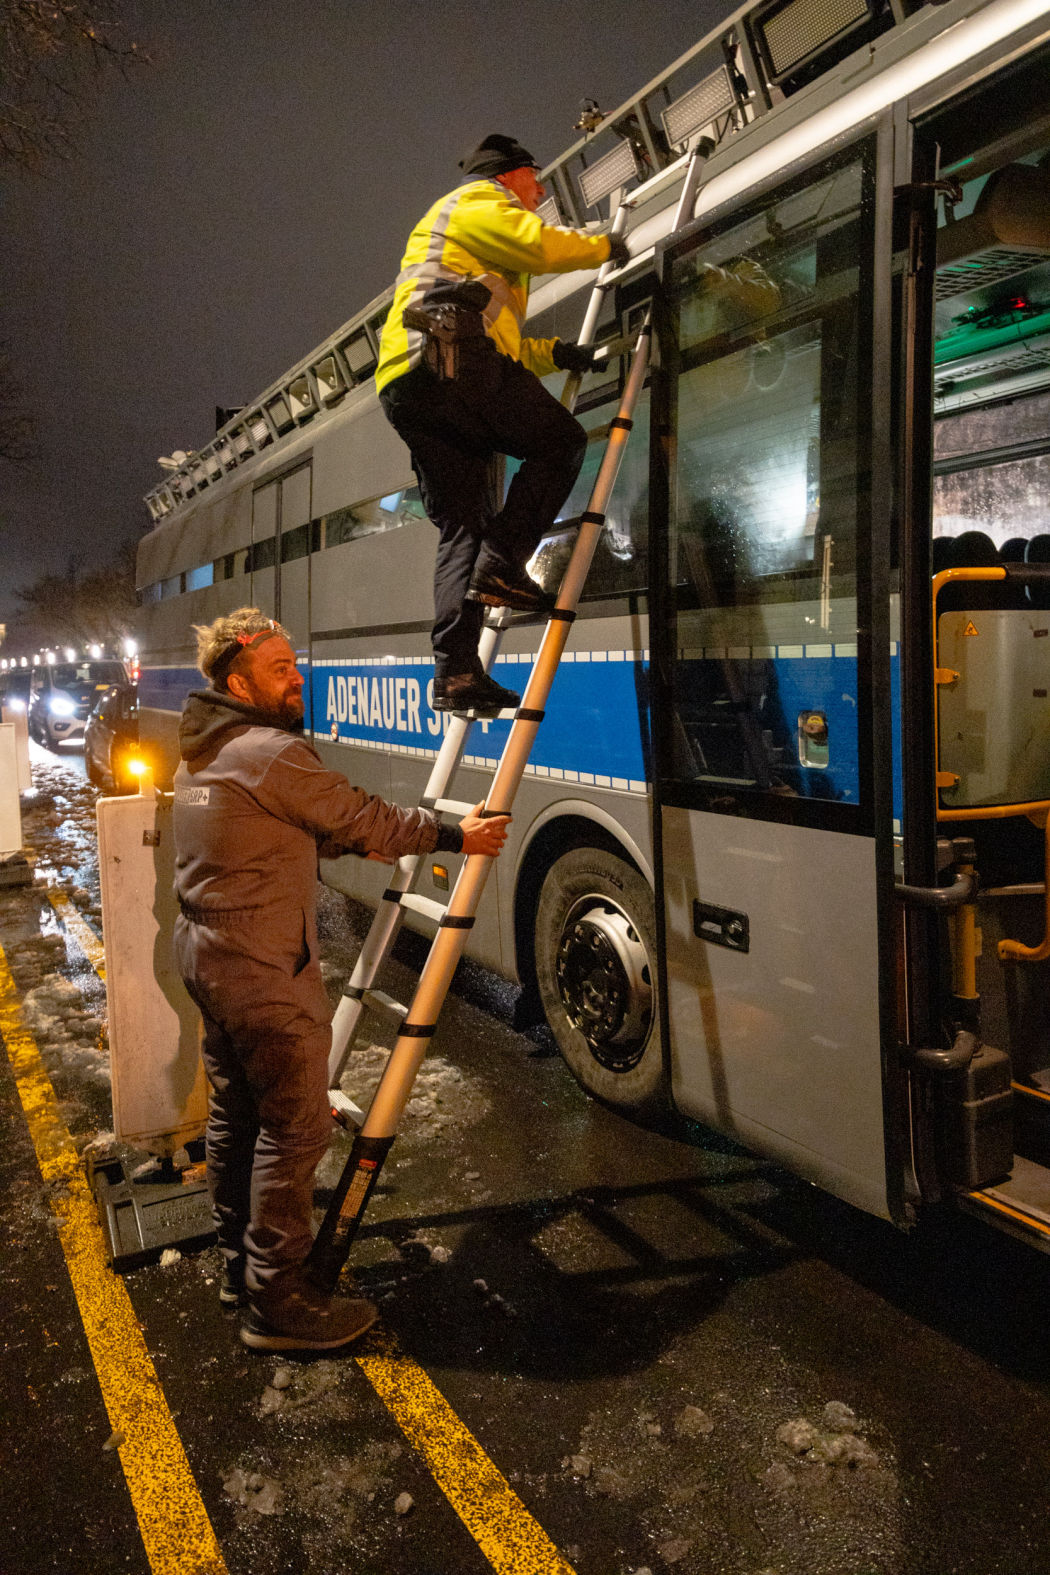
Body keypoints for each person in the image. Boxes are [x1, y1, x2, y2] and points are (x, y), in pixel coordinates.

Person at [171, 608, 510, 1353]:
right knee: (297, 1129)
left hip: (209, 958)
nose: (298, 678)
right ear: (238, 680)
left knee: (236, 1119)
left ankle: (243, 1270)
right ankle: (279, 1305)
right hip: (261, 967)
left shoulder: (201, 752)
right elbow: (362, 820)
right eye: (281, 669)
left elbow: (296, 827)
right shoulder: (265, 752)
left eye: (297, 664)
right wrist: (457, 832)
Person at [376, 132, 631, 717]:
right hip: (448, 356)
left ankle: (456, 672)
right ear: (507, 175)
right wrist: (605, 246)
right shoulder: (479, 202)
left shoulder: (473, 244)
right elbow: (539, 249)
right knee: (562, 442)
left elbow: (502, 347)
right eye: (534, 178)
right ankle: (503, 564)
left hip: (412, 378)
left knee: (463, 525)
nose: (540, 190)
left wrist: (554, 355)